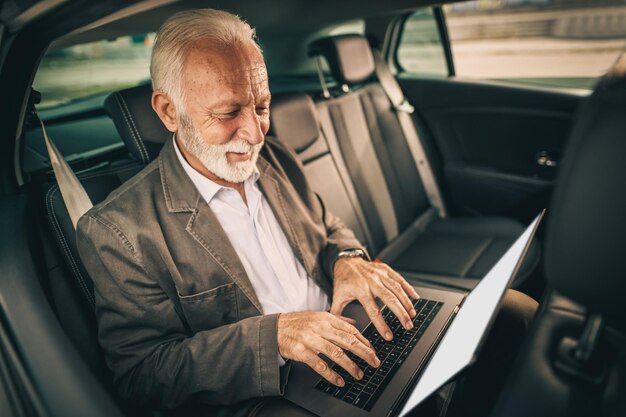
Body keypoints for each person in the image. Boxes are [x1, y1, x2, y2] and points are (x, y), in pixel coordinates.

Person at [76, 8, 537, 417]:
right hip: (264, 392)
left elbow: (329, 227)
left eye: (261, 106)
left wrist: (348, 260)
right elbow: (142, 373)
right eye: (229, 112)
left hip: (346, 329)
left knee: (515, 313)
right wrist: (274, 336)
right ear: (168, 111)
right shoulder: (119, 230)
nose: (255, 132)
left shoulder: (275, 158)